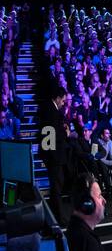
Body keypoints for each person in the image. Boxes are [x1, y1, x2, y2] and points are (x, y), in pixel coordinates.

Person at [36, 86, 73, 224]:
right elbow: (50, 135)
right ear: (57, 98)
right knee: (56, 187)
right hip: (54, 156)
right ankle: (58, 218)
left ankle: (54, 216)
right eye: (63, 101)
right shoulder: (51, 111)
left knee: (56, 186)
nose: (63, 103)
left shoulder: (49, 110)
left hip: (52, 155)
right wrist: (65, 133)